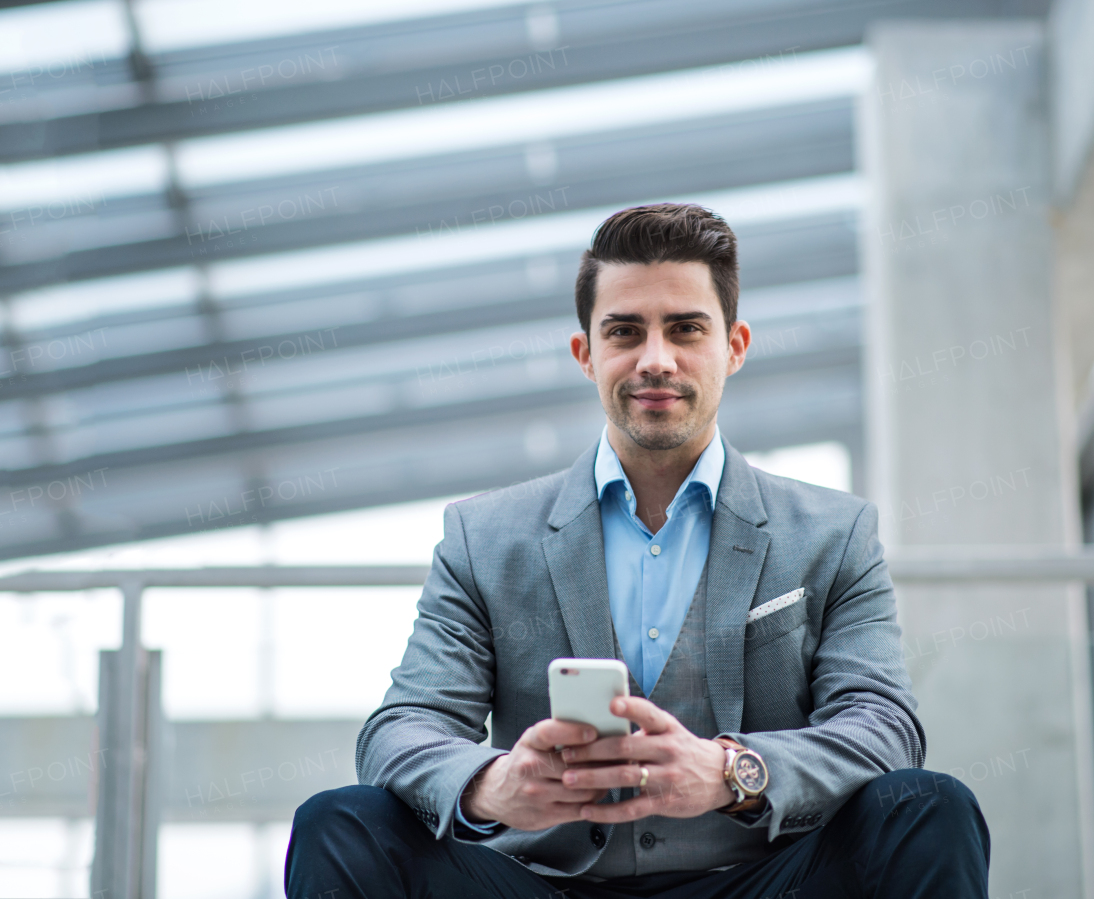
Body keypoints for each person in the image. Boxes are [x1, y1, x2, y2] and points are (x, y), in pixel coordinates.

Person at [285, 204, 990, 898]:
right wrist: (492, 784)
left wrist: (729, 771)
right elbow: (401, 728)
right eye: (625, 331)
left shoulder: (833, 532)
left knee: (926, 807)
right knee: (341, 823)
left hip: (756, 880)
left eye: (685, 329)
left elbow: (884, 726)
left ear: (734, 346)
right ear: (585, 353)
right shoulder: (484, 537)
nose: (656, 359)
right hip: (543, 885)